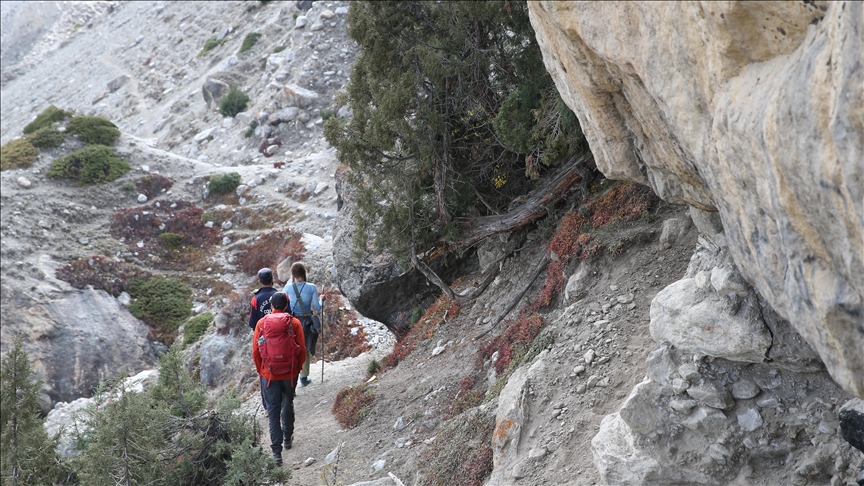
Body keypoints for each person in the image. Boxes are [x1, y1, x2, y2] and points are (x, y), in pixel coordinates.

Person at [252, 292, 305, 465]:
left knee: (273, 413)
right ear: (287, 304)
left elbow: (255, 352)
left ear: (272, 306)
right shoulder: (294, 323)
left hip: (269, 375)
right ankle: (288, 437)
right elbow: (302, 350)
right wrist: (296, 369)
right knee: (287, 403)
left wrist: (262, 371)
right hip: (289, 373)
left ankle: (276, 453)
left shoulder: (261, 323)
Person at [285, 262, 324, 387]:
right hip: (306, 321)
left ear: (293, 274)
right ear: (304, 273)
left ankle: (292, 378)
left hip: (292, 322)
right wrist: (322, 300)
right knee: (305, 349)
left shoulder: (288, 288)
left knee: (293, 348)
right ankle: (304, 377)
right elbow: (317, 307)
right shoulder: (311, 287)